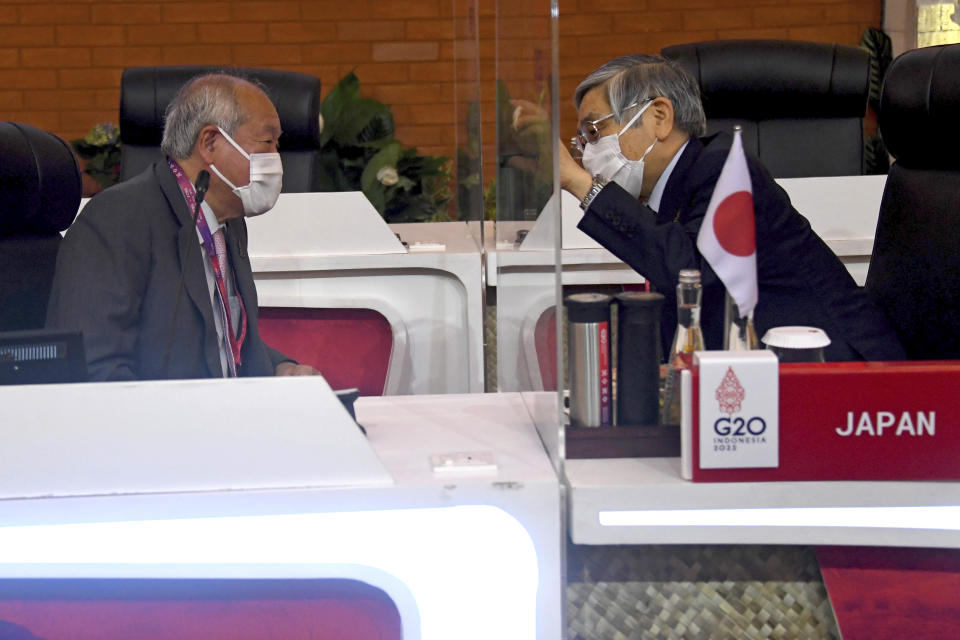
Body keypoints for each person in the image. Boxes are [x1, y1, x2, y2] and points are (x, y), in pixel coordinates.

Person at [547, 54, 904, 361]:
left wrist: (578, 183)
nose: (587, 152)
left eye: (594, 132)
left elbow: (690, 273)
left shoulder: (725, 169)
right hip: (771, 375)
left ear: (659, 117)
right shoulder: (673, 187)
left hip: (843, 374)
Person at [46, 73, 318, 380]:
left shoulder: (229, 224)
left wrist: (282, 368)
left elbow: (221, 340)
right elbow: (94, 366)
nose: (276, 158)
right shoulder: (116, 220)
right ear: (210, 142)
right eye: (267, 142)